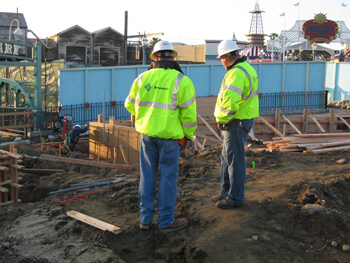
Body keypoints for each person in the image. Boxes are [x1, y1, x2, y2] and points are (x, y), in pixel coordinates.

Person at [124, 40, 197, 233]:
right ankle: (165, 220)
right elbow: (188, 115)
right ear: (172, 57)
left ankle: (145, 219)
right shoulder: (182, 80)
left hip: (147, 136)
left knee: (147, 177)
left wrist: (147, 115)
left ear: (155, 58)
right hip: (170, 140)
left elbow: (129, 105)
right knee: (167, 179)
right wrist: (188, 136)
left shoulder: (141, 78)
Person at [212, 39, 259, 209]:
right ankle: (225, 192)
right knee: (227, 158)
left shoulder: (236, 73)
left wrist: (222, 120)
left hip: (235, 122)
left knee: (235, 160)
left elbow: (230, 102)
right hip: (241, 119)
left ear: (224, 57)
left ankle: (235, 197)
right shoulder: (247, 68)